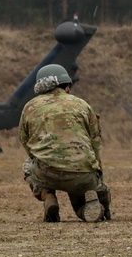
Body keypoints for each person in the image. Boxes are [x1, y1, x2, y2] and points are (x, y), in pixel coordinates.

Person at [20, 63, 110, 223]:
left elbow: (26, 142)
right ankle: (88, 206)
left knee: (28, 165)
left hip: (46, 173)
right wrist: (97, 173)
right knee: (79, 198)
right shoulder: (82, 105)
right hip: (81, 173)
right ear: (66, 86)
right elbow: (95, 141)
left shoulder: (29, 107)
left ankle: (47, 196)